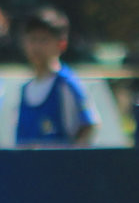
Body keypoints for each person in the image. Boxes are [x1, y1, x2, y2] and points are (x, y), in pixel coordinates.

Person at [11, 8, 100, 147]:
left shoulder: (66, 84)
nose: (37, 47)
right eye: (32, 40)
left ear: (61, 44)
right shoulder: (25, 89)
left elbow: (88, 125)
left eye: (44, 40)